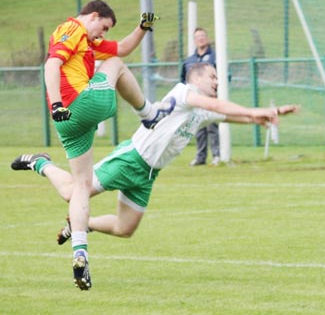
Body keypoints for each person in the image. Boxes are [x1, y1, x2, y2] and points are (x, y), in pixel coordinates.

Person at [11, 63, 298, 288]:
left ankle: (83, 224)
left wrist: (267, 116)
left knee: (125, 228)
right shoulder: (184, 92)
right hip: (131, 158)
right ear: (196, 77)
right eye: (212, 77)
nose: (217, 82)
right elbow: (219, 106)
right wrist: (261, 109)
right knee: (72, 193)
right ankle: (40, 164)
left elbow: (233, 116)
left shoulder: (199, 109)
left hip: (148, 174)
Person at [13, 0, 175, 290]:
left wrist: (142, 28)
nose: (102, 35)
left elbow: (122, 47)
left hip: (69, 124)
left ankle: (79, 250)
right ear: (94, 16)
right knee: (114, 64)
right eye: (103, 27)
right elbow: (51, 64)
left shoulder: (88, 43)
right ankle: (148, 114)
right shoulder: (72, 28)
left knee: (80, 188)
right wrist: (58, 103)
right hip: (79, 105)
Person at [180, 27, 220, 166]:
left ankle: (217, 155)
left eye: (203, 36)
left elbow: (224, 75)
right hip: (196, 101)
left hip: (211, 100)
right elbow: (183, 80)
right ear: (194, 40)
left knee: (212, 126)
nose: (201, 38)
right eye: (198, 37)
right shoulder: (189, 61)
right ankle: (200, 157)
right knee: (198, 127)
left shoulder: (216, 56)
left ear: (207, 38)